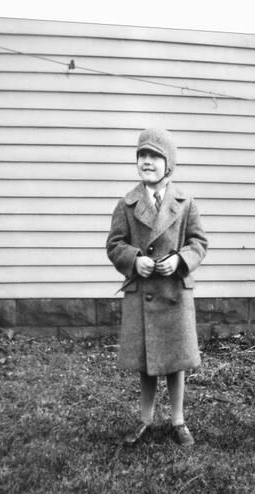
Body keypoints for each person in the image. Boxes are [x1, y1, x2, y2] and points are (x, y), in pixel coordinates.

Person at [106, 128, 208, 447]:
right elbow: (114, 244)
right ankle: (145, 419)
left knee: (176, 362)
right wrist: (135, 260)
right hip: (143, 295)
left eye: (154, 156)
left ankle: (178, 421)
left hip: (174, 292)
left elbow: (199, 243)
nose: (146, 162)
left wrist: (179, 261)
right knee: (146, 363)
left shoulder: (185, 202)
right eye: (142, 156)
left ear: (169, 165)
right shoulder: (126, 204)